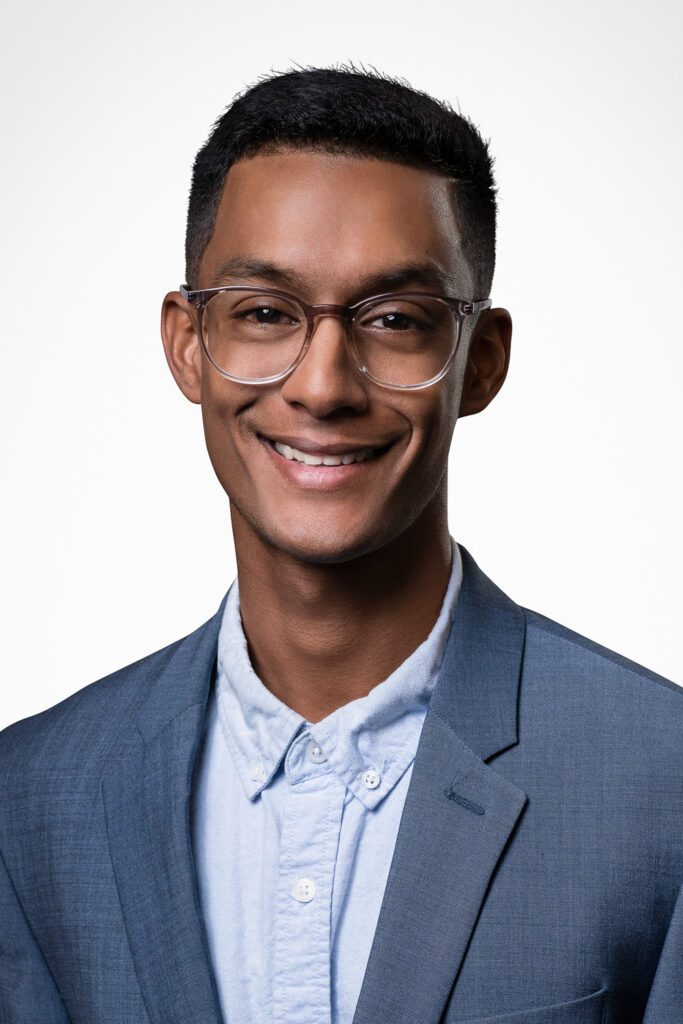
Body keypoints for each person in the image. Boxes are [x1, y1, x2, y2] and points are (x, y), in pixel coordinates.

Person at [0, 65, 680, 1024]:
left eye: (395, 320)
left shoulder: (663, 784)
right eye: (265, 313)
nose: (322, 386)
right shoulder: (27, 802)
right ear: (188, 345)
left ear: (479, 362)